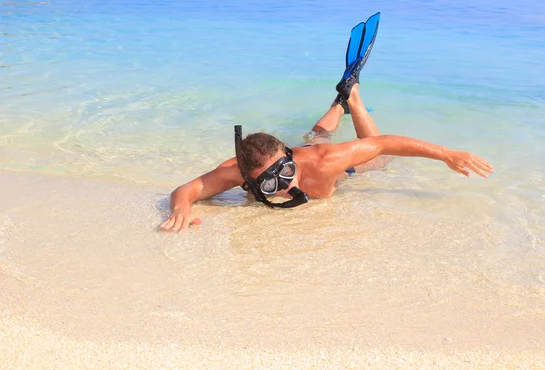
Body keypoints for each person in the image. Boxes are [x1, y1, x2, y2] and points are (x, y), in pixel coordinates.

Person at [160, 13, 493, 231]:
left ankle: (355, 97)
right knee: (318, 138)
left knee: (381, 161)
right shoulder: (235, 171)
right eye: (269, 185)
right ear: (247, 178)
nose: (286, 188)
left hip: (326, 161)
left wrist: (446, 153)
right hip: (311, 150)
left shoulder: (327, 161)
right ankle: (340, 100)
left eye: (286, 174)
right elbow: (186, 190)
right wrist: (181, 209)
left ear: (288, 156)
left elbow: (384, 143)